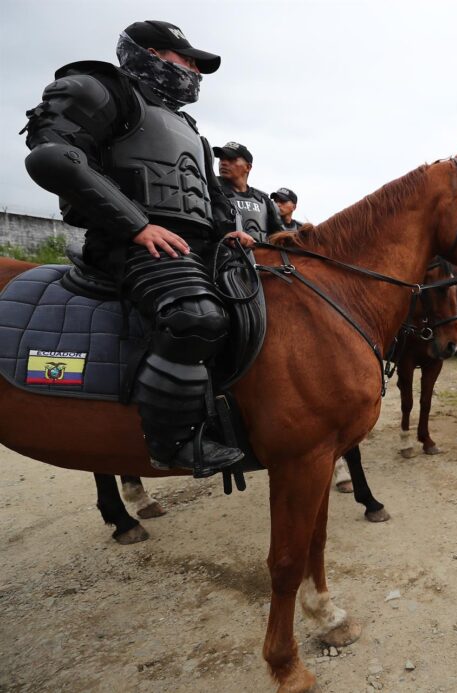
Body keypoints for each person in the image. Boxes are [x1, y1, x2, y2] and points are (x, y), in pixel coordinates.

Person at [22, 20, 250, 476]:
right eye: (186, 60)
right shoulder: (100, 88)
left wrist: (230, 230)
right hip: (129, 241)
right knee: (194, 316)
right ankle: (172, 442)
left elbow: (210, 193)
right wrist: (136, 225)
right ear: (149, 53)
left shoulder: (188, 126)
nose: (194, 71)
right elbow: (52, 154)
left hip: (196, 245)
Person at [213, 141, 284, 241]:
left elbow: (280, 237)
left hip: (260, 255)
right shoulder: (210, 189)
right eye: (221, 159)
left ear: (248, 167)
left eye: (231, 159)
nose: (223, 163)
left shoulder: (263, 200)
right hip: (220, 254)